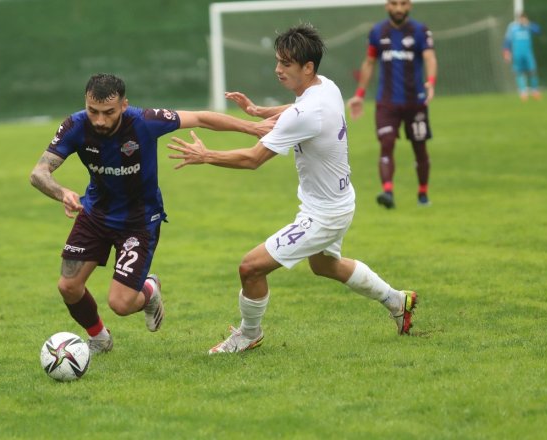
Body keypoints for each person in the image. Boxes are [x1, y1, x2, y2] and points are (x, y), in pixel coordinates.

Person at [167, 24, 417, 355]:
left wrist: (206, 155)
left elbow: (254, 159)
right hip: (337, 202)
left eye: (286, 64)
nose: (278, 69)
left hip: (324, 214)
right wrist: (258, 112)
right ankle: (398, 301)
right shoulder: (325, 88)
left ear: (307, 67)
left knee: (250, 267)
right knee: (324, 266)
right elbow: (293, 111)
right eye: (278, 61)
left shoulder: (306, 111)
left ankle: (248, 334)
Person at [30, 73, 270, 354]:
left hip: (138, 221)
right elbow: (38, 173)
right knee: (68, 286)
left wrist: (252, 129)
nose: (99, 120)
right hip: (94, 213)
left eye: (108, 112)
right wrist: (63, 193)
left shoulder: (144, 121)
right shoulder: (75, 125)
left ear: (123, 105)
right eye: (93, 111)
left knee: (120, 304)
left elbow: (201, 118)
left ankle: (148, 290)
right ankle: (99, 338)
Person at [346, 0, 437, 209]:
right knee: (386, 144)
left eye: (403, 3)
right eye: (394, 3)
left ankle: (423, 193)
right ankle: (387, 191)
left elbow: (430, 57)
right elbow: (369, 63)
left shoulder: (420, 30)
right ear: (387, 5)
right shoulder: (378, 32)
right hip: (386, 103)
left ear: (409, 5)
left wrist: (430, 82)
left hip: (415, 102)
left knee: (420, 148)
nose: (398, 8)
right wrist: (359, 94)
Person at [503, 12, 542, 101]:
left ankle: (535, 91)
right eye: (520, 18)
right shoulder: (512, 27)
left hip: (528, 54)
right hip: (517, 54)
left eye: (523, 18)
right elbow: (507, 41)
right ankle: (523, 92)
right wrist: (506, 52)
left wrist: (528, 24)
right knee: (519, 72)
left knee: (532, 71)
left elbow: (538, 31)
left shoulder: (528, 26)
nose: (521, 20)